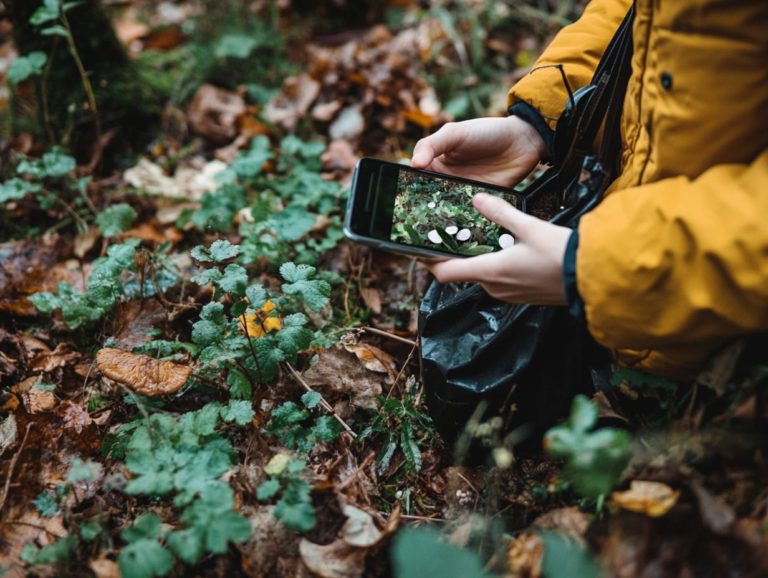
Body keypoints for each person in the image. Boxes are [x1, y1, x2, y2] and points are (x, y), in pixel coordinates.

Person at [410, 0, 768, 384]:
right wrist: (538, 123)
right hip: (645, 277)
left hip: (735, 358)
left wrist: (595, 267)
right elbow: (648, 17)